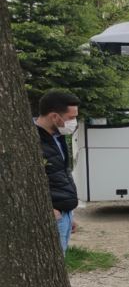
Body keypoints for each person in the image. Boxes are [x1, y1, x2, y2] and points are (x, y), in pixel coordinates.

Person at [34, 91, 81, 254]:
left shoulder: (58, 137)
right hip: (52, 216)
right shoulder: (31, 141)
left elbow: (61, 175)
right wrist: (49, 210)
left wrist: (69, 214)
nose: (74, 122)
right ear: (54, 116)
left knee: (59, 271)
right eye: (71, 117)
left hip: (64, 215)